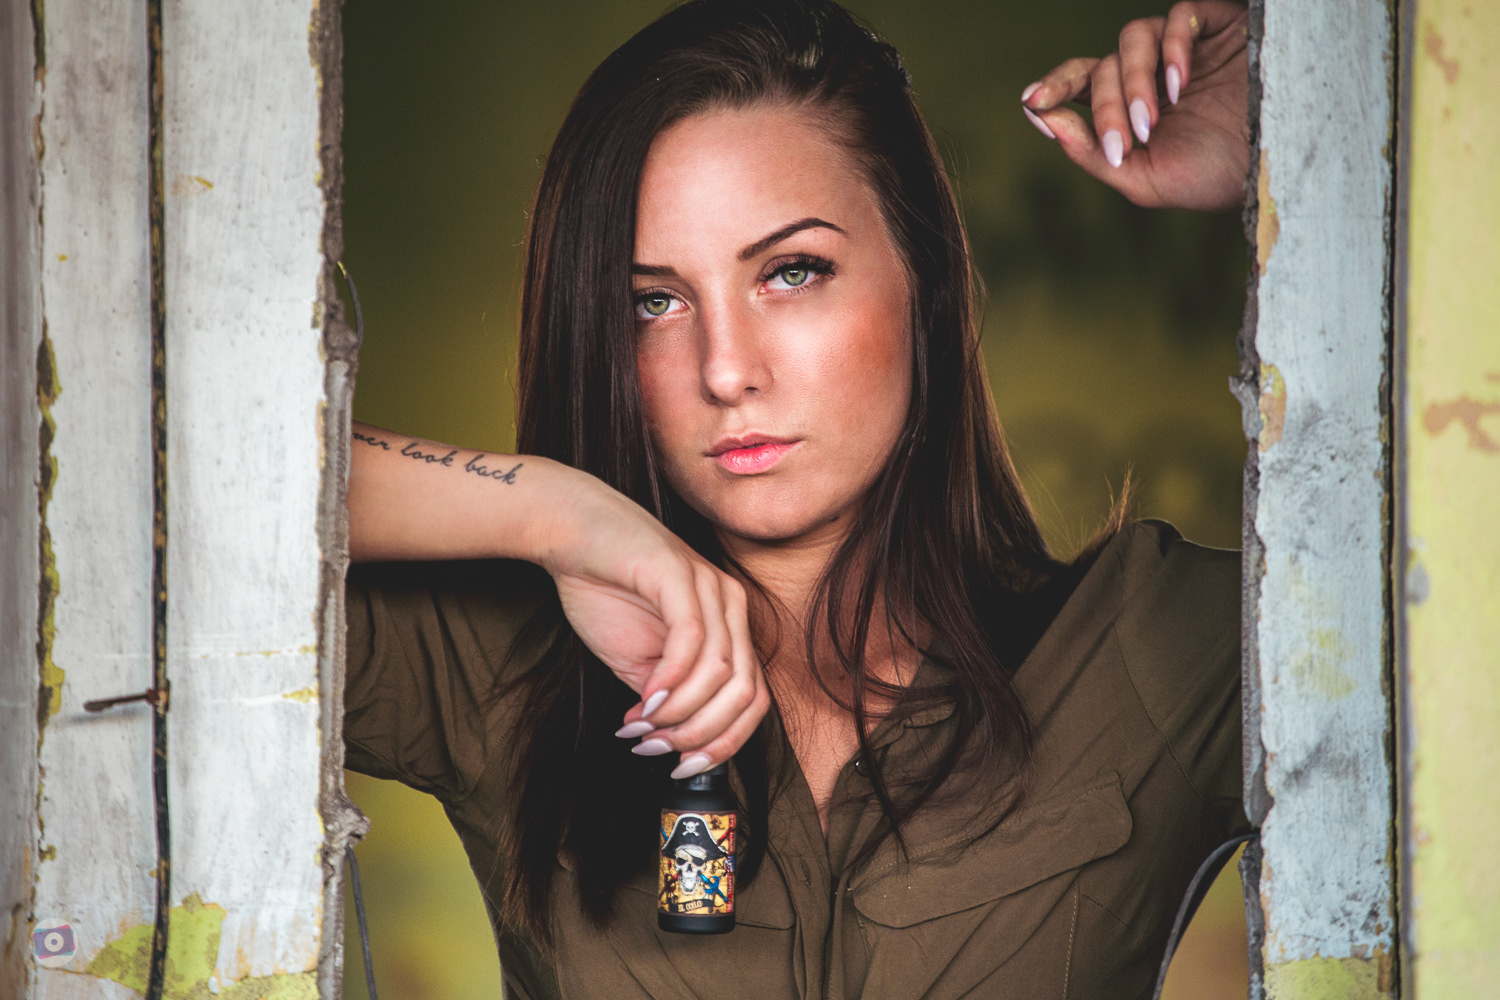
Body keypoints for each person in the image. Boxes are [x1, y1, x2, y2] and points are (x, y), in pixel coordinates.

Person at [341, 1, 1252, 996]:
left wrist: (1301, 163)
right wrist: (555, 514)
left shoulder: (1148, 648)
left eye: (792, 272)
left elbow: (1396, 601)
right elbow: (212, 485)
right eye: (654, 302)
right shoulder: (501, 663)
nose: (726, 369)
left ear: (925, 278)